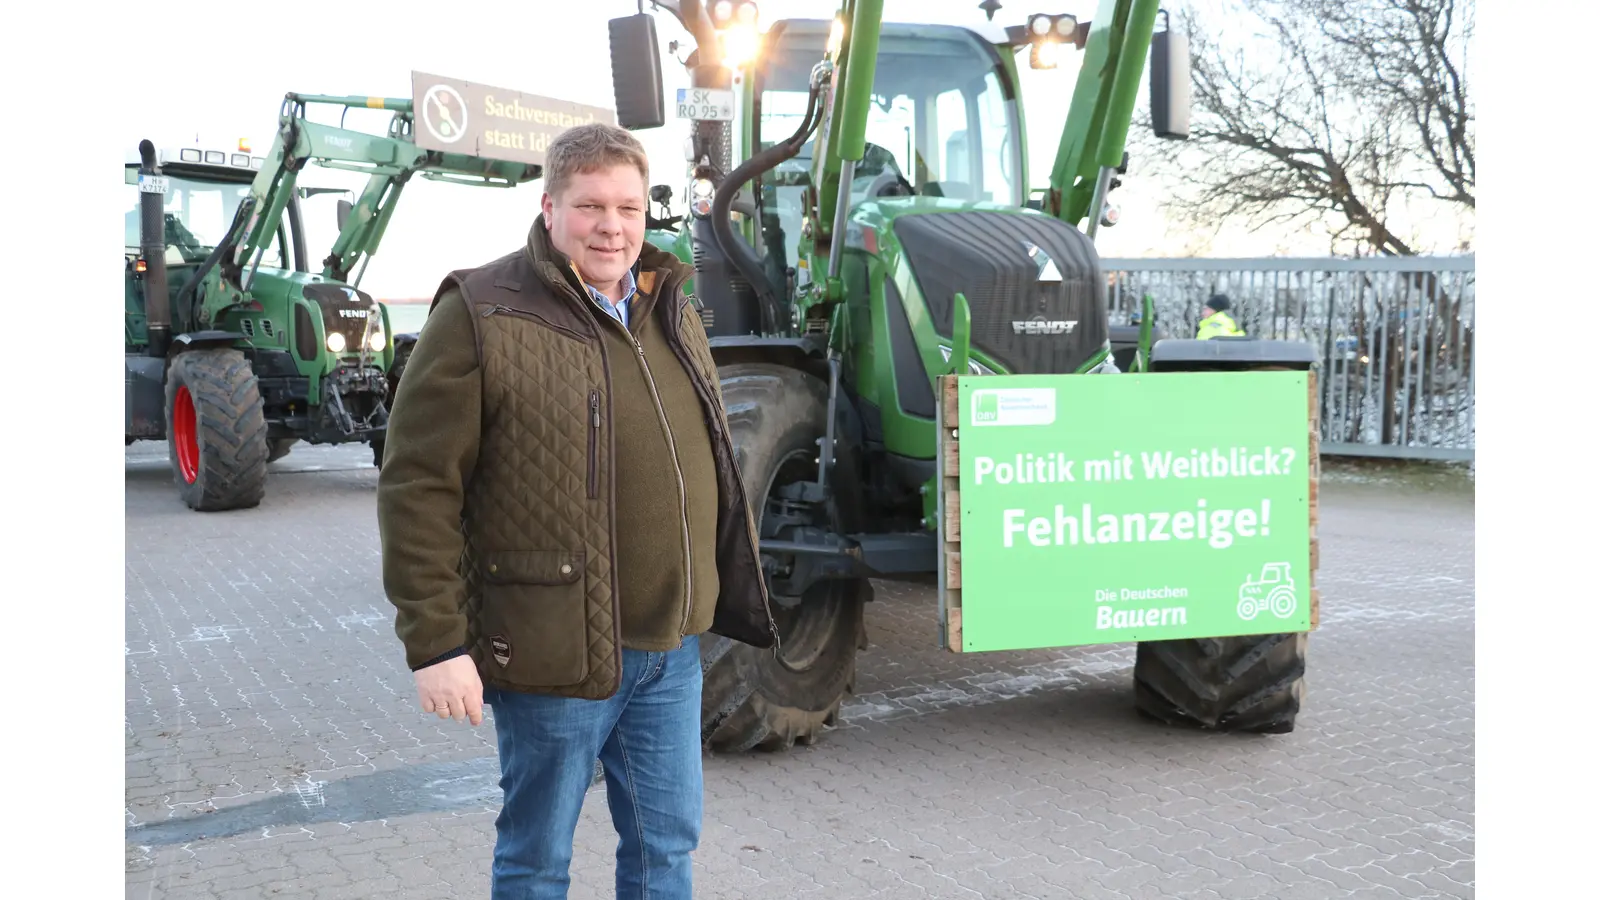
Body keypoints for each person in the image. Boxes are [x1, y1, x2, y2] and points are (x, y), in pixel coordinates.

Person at [375, 122, 776, 900]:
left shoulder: (669, 302)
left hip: (672, 648)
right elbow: (418, 485)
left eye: (628, 206)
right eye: (591, 206)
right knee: (536, 859)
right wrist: (435, 644)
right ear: (550, 206)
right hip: (554, 652)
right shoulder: (483, 310)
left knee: (666, 850)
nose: (612, 226)